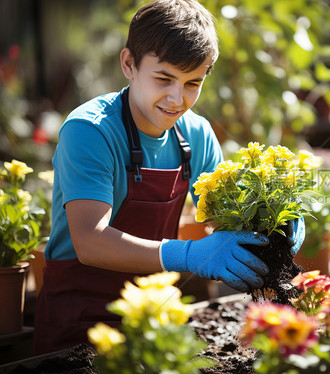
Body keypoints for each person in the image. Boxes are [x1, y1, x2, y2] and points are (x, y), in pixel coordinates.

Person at [33, 0, 304, 355]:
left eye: (193, 83)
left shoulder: (196, 134)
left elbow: (224, 223)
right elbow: (89, 241)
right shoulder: (91, 130)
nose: (177, 99)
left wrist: (273, 229)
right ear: (129, 64)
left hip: (155, 320)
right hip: (79, 325)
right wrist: (188, 255)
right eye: (164, 79)